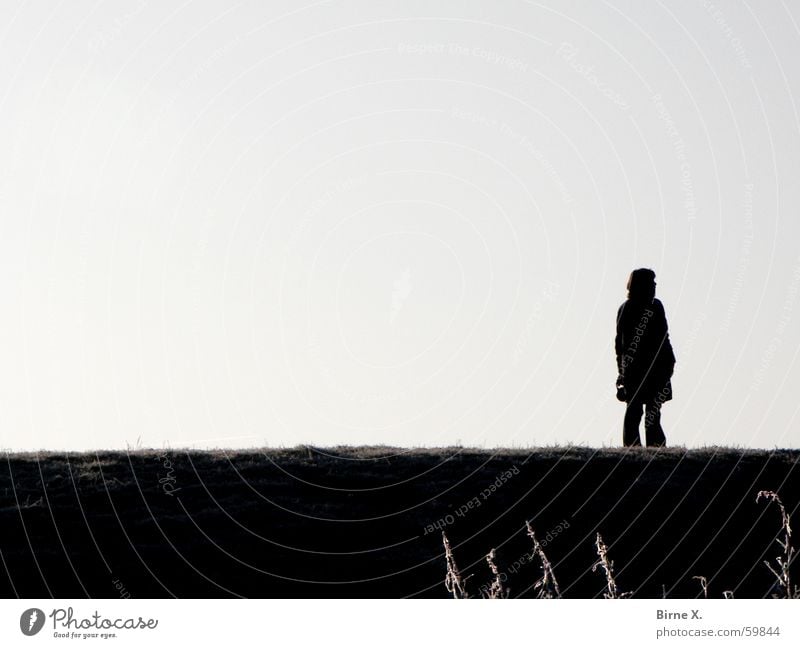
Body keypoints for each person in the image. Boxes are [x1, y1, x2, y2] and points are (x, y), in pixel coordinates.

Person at [615, 268, 676, 447]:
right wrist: (623, 371)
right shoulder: (629, 309)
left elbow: (664, 337)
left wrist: (669, 362)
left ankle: (653, 450)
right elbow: (621, 345)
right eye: (651, 283)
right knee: (636, 413)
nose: (655, 286)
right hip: (638, 371)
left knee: (651, 413)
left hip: (656, 370)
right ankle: (635, 450)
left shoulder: (655, 306)